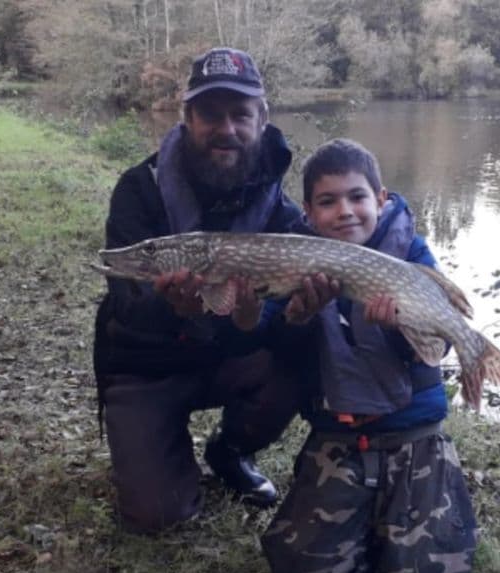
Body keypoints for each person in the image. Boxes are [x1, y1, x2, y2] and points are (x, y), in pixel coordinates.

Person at [92, 47, 336, 534]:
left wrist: (294, 316)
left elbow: (273, 336)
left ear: (262, 119)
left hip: (223, 360)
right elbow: (125, 303)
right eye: (209, 113)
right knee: (157, 516)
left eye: (240, 114)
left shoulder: (284, 218)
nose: (226, 129)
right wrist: (170, 307)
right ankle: (159, 446)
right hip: (146, 367)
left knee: (304, 348)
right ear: (186, 117)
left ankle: (229, 452)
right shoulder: (139, 188)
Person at [257, 139, 479, 573]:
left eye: (357, 197)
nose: (345, 211)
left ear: (380, 199)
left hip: (414, 436)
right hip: (339, 437)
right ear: (308, 212)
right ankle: (370, 533)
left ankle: (390, 533)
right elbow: (279, 346)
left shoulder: (412, 255)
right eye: (327, 201)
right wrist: (297, 316)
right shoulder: (299, 261)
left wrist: (398, 329)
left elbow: (433, 347)